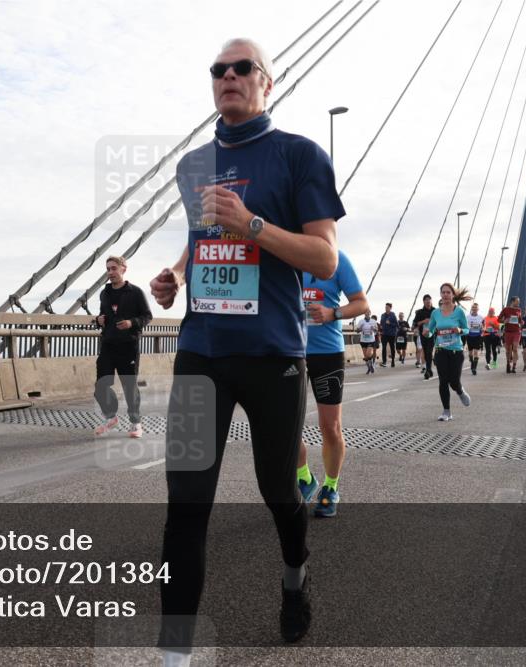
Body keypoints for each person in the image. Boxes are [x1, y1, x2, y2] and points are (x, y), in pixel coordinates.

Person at [148, 37, 344, 655]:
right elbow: (201, 238)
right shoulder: (191, 167)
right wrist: (176, 276)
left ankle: (295, 575)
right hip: (201, 351)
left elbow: (325, 254)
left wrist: (253, 225)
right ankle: (175, 647)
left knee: (278, 491)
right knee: (185, 503)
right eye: (218, 69)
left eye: (242, 68)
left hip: (272, 354)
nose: (228, 76)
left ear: (267, 83)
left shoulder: (300, 156)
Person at [297, 250, 368, 518]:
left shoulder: (336, 259)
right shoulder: (284, 250)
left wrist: (332, 313)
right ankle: (304, 478)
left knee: (330, 427)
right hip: (289, 351)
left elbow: (361, 303)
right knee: (284, 426)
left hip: (327, 352)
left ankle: (330, 486)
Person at [93, 255, 153, 437]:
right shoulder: (105, 293)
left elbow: (147, 316)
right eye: (108, 269)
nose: (110, 272)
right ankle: (111, 417)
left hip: (128, 346)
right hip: (108, 345)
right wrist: (98, 320)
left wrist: (131, 323)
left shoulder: (135, 292)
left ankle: (135, 423)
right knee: (100, 386)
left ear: (123, 268)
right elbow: (103, 315)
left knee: (129, 386)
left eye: (113, 268)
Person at [428, 283, 472, 421]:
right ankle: (446, 411)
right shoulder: (435, 313)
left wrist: (460, 330)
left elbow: (467, 329)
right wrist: (427, 333)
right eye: (443, 292)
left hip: (456, 351)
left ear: (453, 295)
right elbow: (430, 330)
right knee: (443, 381)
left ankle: (459, 390)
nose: (446, 295)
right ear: (440, 295)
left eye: (448, 292)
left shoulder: (459, 311)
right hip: (440, 350)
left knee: (453, 381)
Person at [413, 294, 436, 380]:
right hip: (423, 335)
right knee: (426, 352)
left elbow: (440, 321)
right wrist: (423, 321)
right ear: (423, 302)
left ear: (431, 301)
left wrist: (432, 322)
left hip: (433, 335)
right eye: (426, 300)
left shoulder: (435, 311)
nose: (428, 302)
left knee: (429, 351)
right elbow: (415, 324)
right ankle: (429, 370)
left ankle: (428, 370)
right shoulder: (420, 312)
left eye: (429, 300)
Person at [498, 296, 522, 374]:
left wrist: (522, 322)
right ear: (512, 301)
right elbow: (499, 319)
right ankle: (508, 363)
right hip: (508, 332)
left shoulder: (519, 310)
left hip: (516, 332)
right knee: (508, 350)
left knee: (515, 348)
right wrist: (504, 320)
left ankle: (514, 366)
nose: (518, 303)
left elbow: (520, 320)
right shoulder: (506, 309)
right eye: (517, 301)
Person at [466, 302, 485, 375]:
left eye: (476, 308)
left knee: (476, 352)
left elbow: (484, 326)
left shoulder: (481, 317)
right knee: (470, 353)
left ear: (478, 309)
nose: (474, 309)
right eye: (473, 308)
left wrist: (483, 329)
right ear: (471, 308)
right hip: (469, 336)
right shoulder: (467, 317)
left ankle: (474, 368)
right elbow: (465, 326)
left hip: (477, 336)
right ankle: (471, 361)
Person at [379, 303, 398, 367]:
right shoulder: (382, 315)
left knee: (392, 348)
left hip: (392, 334)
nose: (386, 308)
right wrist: (381, 327)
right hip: (384, 334)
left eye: (387, 307)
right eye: (385, 307)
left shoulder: (393, 315)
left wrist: (390, 323)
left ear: (390, 308)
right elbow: (381, 323)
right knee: (383, 348)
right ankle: (384, 361)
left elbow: (396, 325)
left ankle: (393, 361)